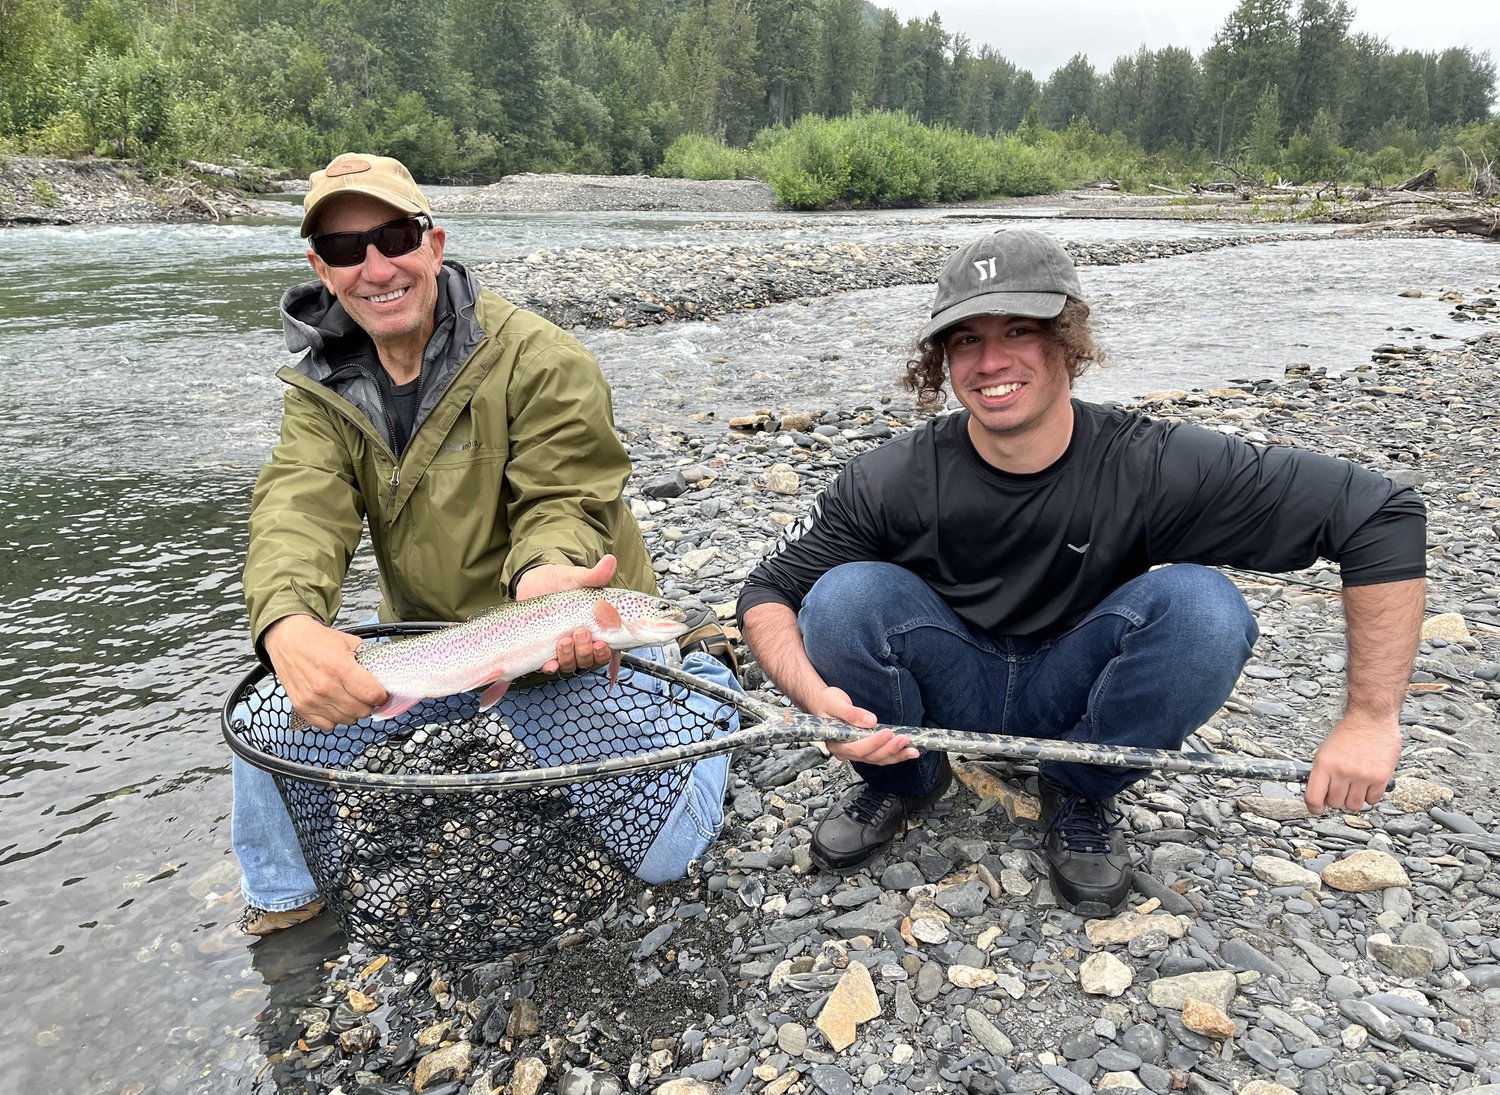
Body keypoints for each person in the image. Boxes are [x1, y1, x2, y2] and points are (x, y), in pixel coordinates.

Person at [736, 228, 1426, 918]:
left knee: (1206, 609)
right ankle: (906, 778)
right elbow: (768, 592)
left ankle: (1078, 788)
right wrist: (815, 701)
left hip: (1076, 683)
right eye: (967, 339)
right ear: (942, 359)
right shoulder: (890, 478)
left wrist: (1370, 719)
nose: (992, 361)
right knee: (841, 596)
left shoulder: (1149, 464)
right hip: (949, 678)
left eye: (1019, 330)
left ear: (1069, 339)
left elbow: (1379, 513)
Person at [234, 153, 736, 936]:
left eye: (394, 237)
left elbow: (564, 498)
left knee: (666, 854)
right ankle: (284, 905)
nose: (375, 267)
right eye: (344, 248)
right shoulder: (321, 387)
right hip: (432, 646)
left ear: (433, 245)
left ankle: (699, 674)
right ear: (320, 269)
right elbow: (298, 510)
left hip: (559, 633)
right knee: (269, 712)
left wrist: (550, 579)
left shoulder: (540, 358)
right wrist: (286, 624)